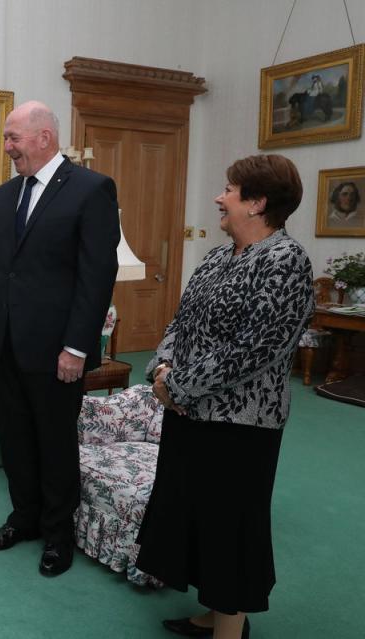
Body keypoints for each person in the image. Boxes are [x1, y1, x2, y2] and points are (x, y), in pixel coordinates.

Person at [136, 154, 314, 639]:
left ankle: (230, 629)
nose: (219, 196)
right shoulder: (218, 255)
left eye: (229, 189)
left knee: (231, 526)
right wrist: (161, 368)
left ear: (257, 203)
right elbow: (181, 319)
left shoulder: (286, 261)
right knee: (195, 516)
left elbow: (255, 349)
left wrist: (176, 385)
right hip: (190, 413)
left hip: (242, 424)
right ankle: (212, 612)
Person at [0, 100, 120, 577]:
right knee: (14, 440)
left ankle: (58, 536)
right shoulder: (3, 194)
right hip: (5, 344)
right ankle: (23, 520)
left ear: (44, 138)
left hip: (57, 350)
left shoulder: (92, 190)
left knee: (55, 444)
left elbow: (97, 277)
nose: (7, 147)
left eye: (13, 138)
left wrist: (77, 347)